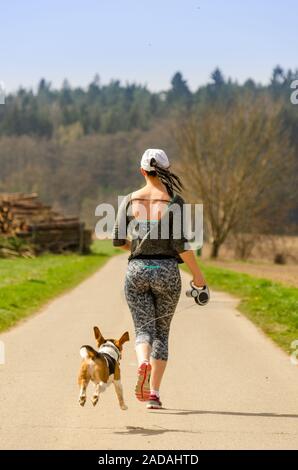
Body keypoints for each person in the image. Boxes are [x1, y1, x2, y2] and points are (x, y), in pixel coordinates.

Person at [112, 149, 206, 409]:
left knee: (143, 329)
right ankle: (153, 394)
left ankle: (142, 362)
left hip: (137, 271)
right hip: (166, 271)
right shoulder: (174, 202)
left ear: (142, 170)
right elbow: (181, 245)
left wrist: (140, 248)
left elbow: (118, 240)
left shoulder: (130, 200)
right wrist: (199, 277)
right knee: (162, 333)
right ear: (167, 169)